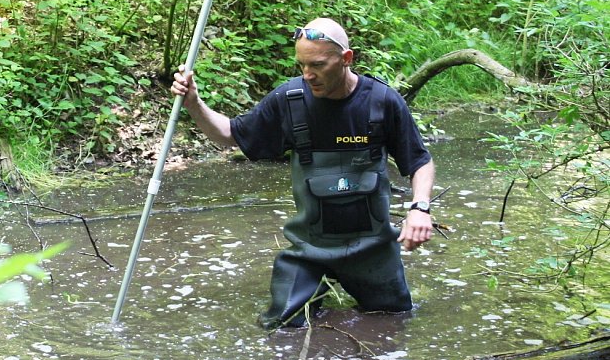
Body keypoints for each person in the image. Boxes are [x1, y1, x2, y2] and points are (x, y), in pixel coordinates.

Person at [171, 17, 435, 329]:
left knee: (394, 323)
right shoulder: (289, 100)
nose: (308, 74)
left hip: (373, 248)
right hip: (309, 250)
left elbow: (419, 162)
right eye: (302, 65)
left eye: (318, 65)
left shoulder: (382, 101)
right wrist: (194, 104)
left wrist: (420, 208)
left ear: (346, 59)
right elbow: (231, 134)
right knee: (282, 328)